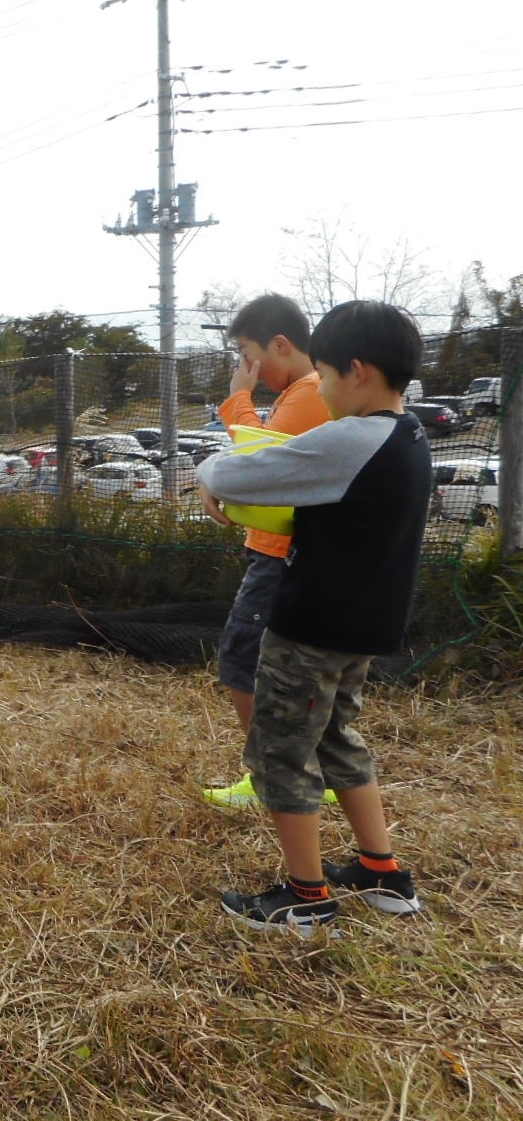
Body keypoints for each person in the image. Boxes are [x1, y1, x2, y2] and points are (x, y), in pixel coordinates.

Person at [197, 300, 431, 933]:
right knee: (336, 739)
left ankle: (306, 897)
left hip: (312, 627)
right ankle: (384, 873)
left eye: (324, 374)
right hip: (362, 626)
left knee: (280, 755)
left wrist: (205, 471)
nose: (319, 388)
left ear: (357, 371)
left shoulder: (350, 437)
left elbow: (243, 473)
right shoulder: (410, 436)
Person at [201, 295, 333, 809]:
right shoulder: (308, 390)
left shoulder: (307, 392)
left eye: (247, 354)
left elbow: (255, 464)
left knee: (241, 659)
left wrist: (238, 396)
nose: (245, 366)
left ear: (280, 344)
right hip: (281, 551)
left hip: (279, 556)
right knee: (278, 667)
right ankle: (292, 772)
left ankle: (267, 777)